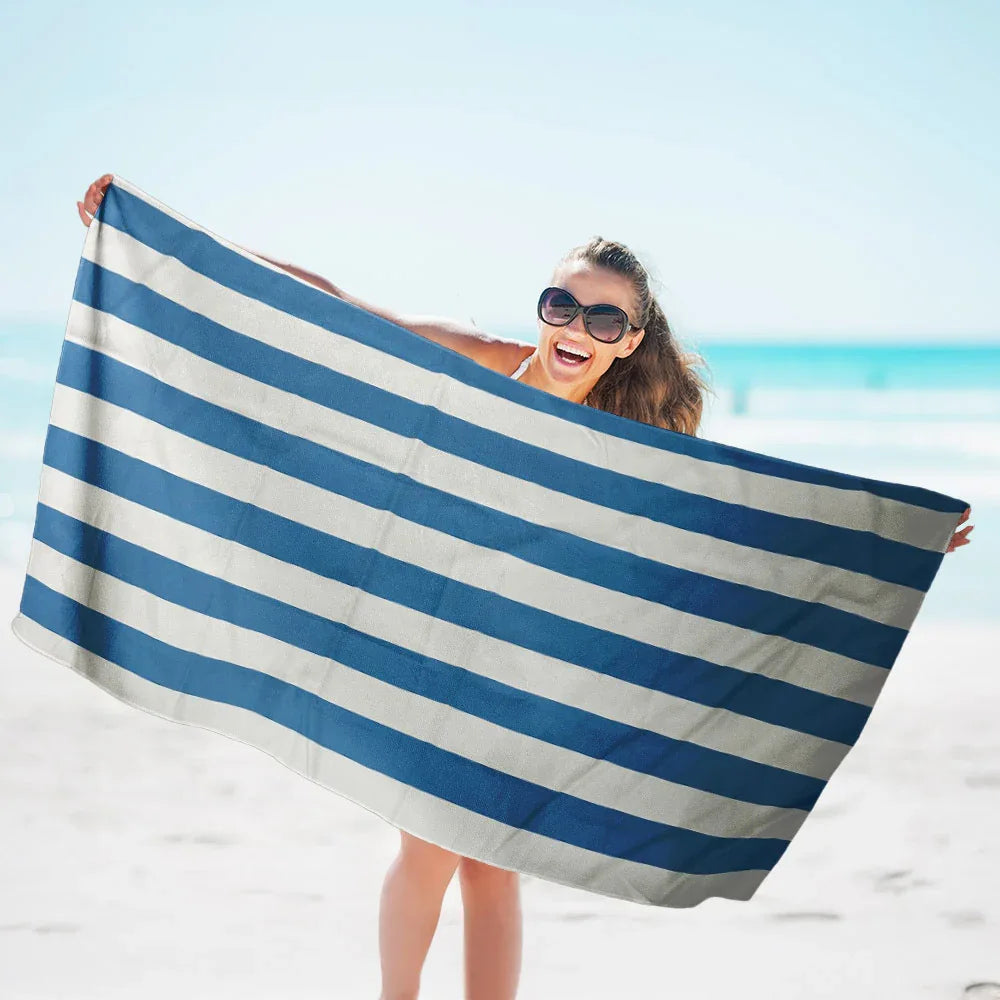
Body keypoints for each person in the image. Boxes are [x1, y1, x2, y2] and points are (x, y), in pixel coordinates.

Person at [78, 174, 975, 1000]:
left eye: (604, 320)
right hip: (433, 642)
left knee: (493, 864)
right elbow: (337, 316)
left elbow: (741, 534)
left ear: (631, 342)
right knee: (430, 847)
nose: (576, 329)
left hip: (531, 668)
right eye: (563, 305)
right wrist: (174, 244)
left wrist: (895, 542)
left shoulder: (637, 441)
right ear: (541, 309)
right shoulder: (482, 365)